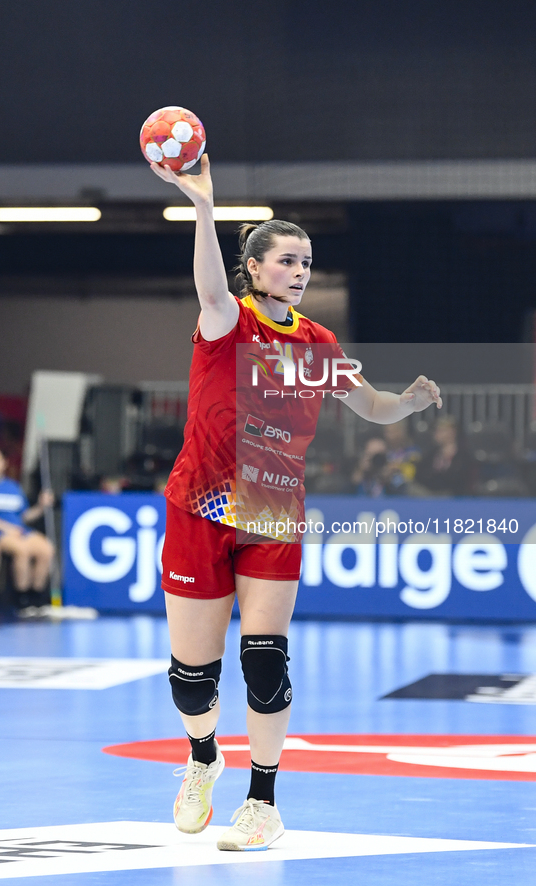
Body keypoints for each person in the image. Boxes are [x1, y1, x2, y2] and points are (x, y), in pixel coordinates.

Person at [150, 153, 442, 851]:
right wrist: (201, 206)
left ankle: (262, 802)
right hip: (200, 506)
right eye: (285, 260)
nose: (299, 270)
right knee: (192, 680)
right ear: (253, 269)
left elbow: (366, 404)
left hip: (273, 513)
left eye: (306, 261)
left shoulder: (316, 342)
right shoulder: (226, 322)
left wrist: (405, 402)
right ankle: (200, 758)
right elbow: (208, 288)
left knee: (264, 659)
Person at [0, 448, 55, 600]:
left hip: (20, 530)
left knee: (46, 549)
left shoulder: (13, 487)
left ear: (4, 463)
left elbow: (24, 516)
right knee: (22, 550)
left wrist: (41, 506)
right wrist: (7, 528)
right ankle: (22, 597)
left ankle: (37, 595)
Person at [413, 416, 474, 496]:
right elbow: (420, 475)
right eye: (436, 431)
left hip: (453, 495)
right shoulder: (431, 454)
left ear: (452, 432)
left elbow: (461, 479)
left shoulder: (463, 455)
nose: (436, 434)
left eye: (441, 431)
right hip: (428, 493)